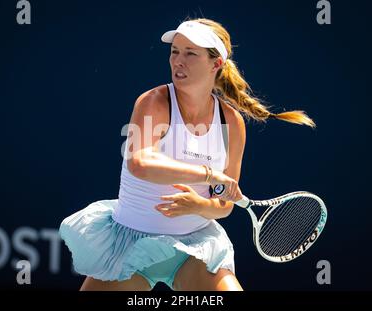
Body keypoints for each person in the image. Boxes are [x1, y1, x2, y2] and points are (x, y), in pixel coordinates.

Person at [59, 18, 315, 291]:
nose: (177, 61)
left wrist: (198, 205)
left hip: (194, 251)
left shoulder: (231, 122)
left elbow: (224, 203)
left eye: (190, 53)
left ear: (215, 64)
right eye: (174, 51)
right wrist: (207, 174)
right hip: (130, 249)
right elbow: (140, 163)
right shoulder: (153, 102)